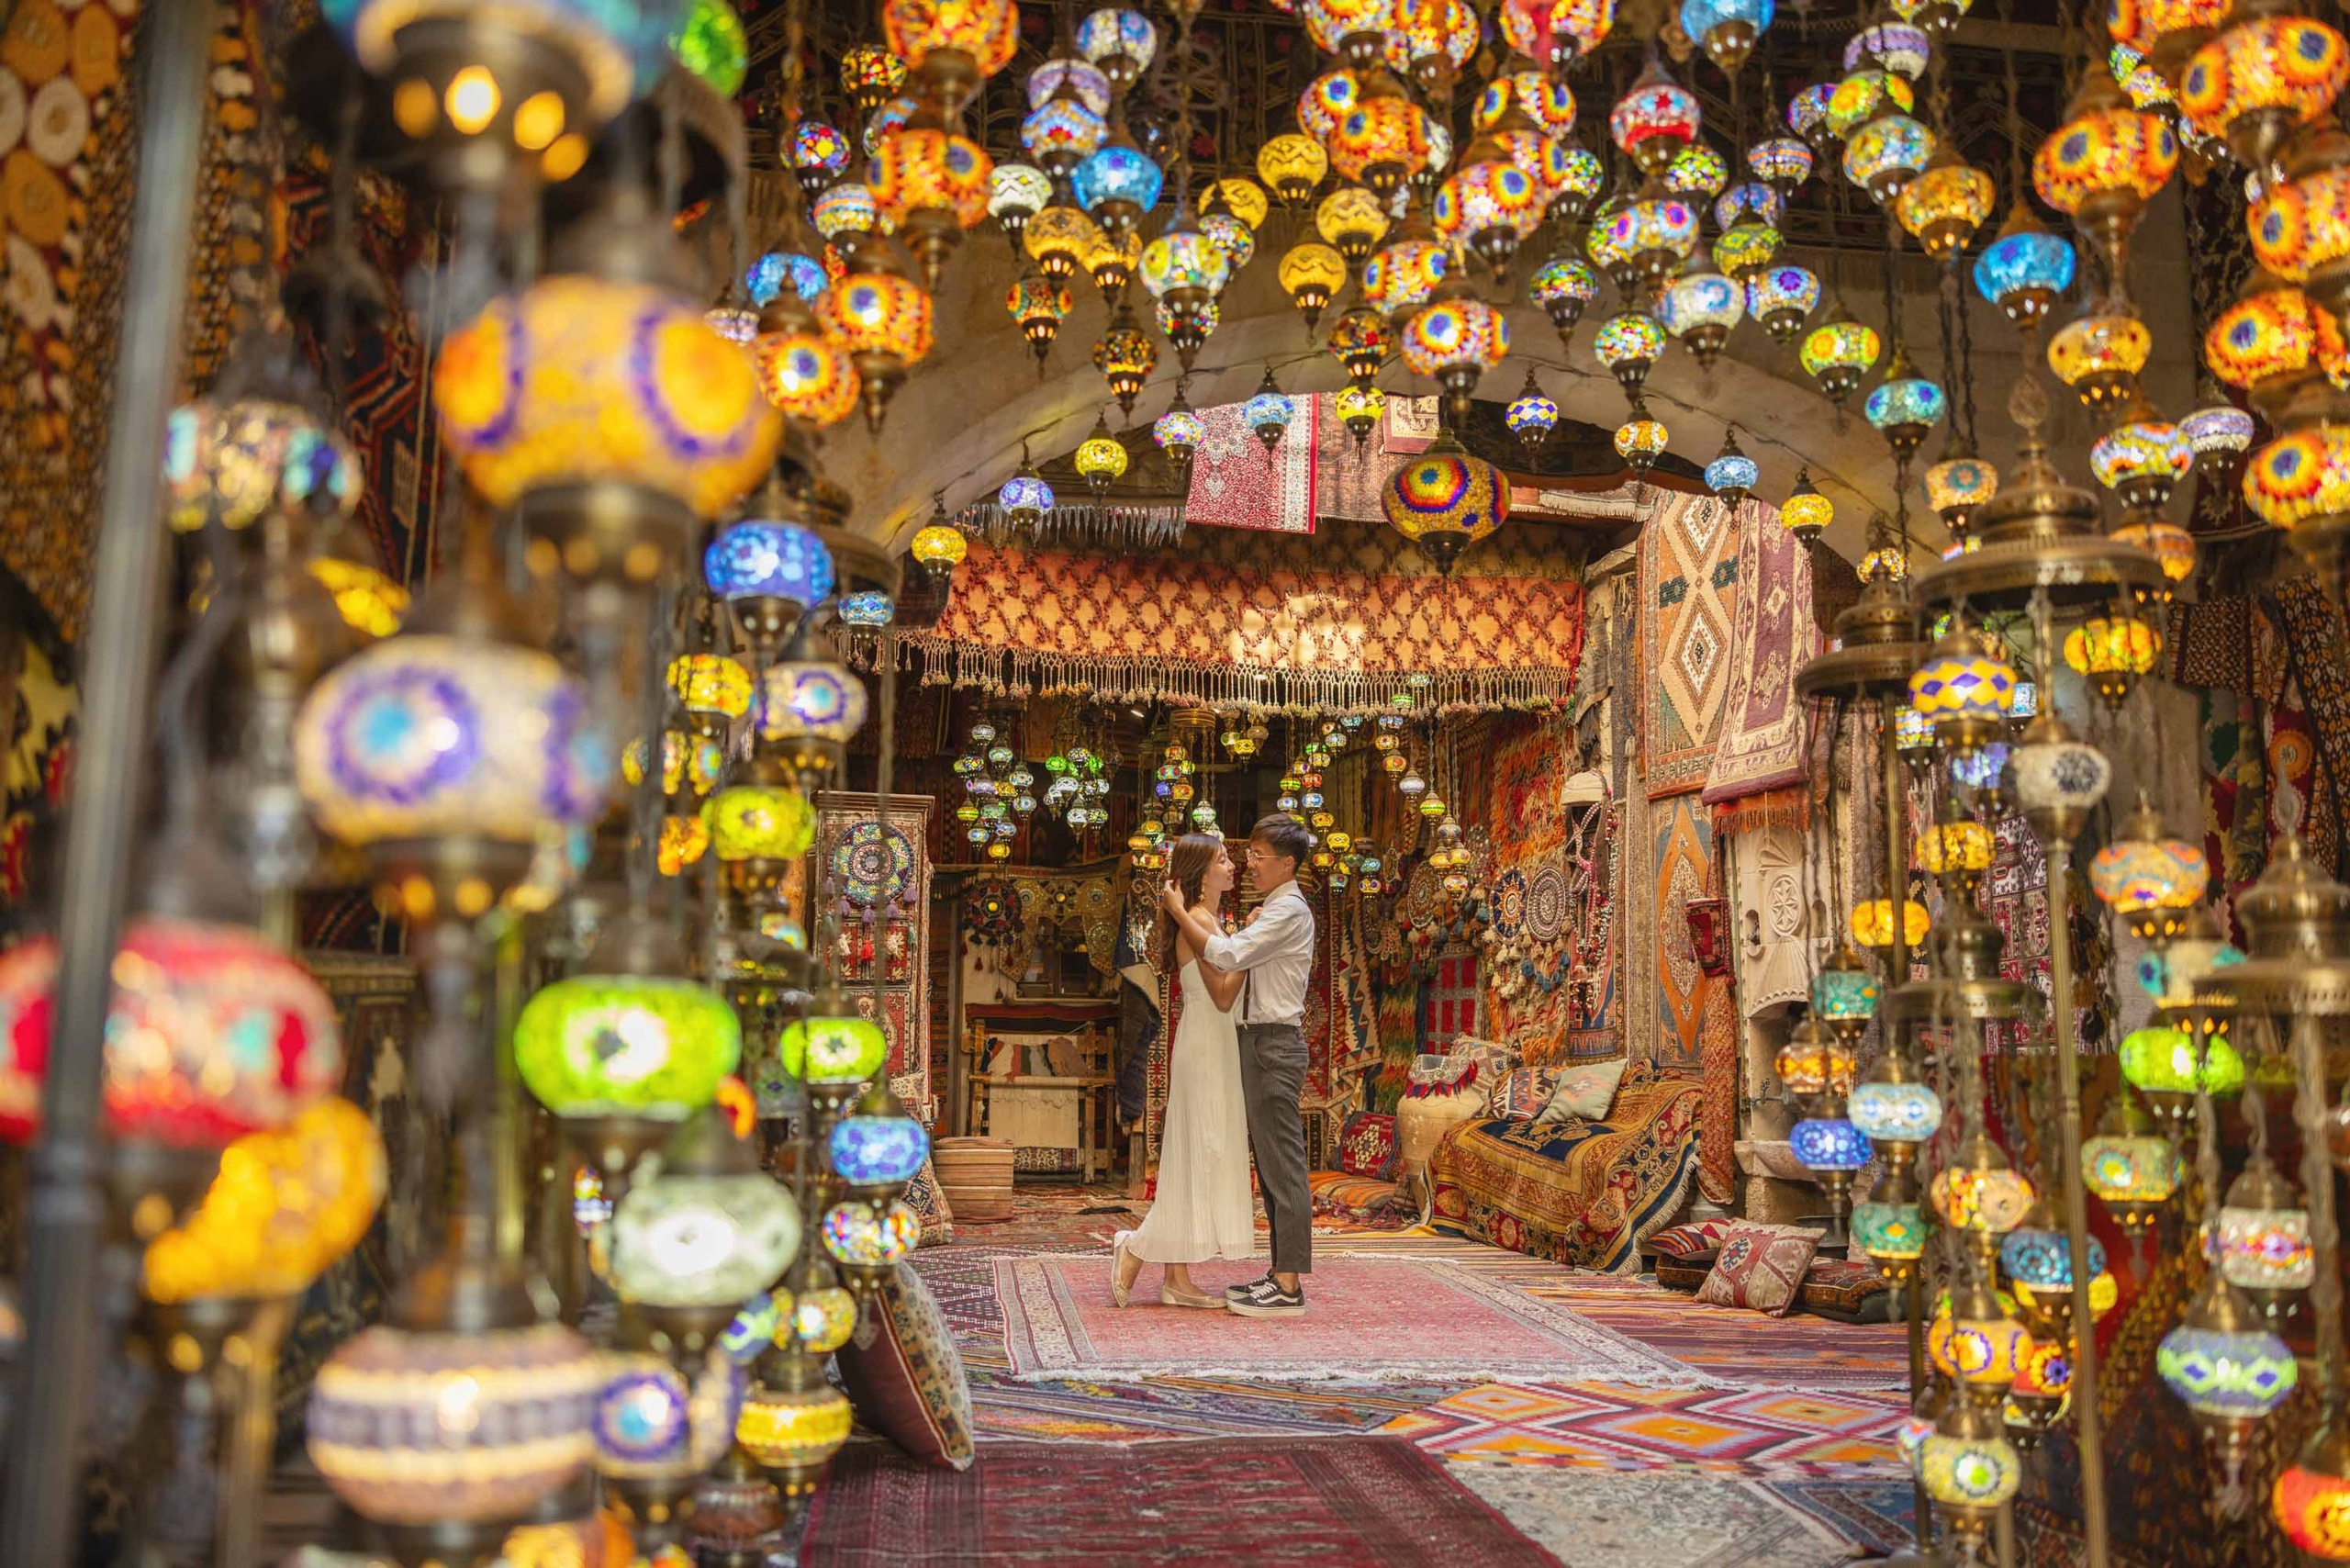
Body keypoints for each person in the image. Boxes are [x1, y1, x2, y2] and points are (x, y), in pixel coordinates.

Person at [1158, 812, 1317, 1319]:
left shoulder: (1287, 911)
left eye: (1258, 856)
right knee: (1270, 1166)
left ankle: (1289, 1285)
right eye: (1243, 854)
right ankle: (1279, 1275)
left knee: (1283, 1165)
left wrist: (1177, 911)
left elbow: (1226, 960)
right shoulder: (1270, 910)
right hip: (1256, 1043)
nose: (1250, 863)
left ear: (1286, 863)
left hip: (1272, 1043)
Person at [1111, 834, 1253, 1308]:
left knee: (1202, 1151)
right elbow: (1224, 994)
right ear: (1201, 872)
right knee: (1200, 1149)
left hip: (1214, 1043)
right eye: (1223, 860)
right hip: (1206, 1044)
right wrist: (1254, 949)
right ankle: (1135, 1248)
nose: (1232, 866)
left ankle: (1176, 1278)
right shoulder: (1195, 919)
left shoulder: (1206, 920)